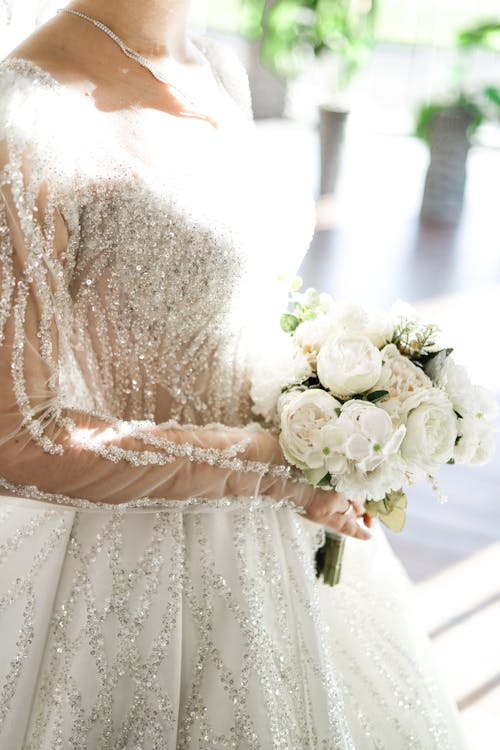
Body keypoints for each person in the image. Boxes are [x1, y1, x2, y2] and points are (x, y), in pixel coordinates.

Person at [0, 1, 468, 747]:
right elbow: (15, 442)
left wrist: (334, 402)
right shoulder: (25, 116)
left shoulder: (216, 67)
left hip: (282, 541)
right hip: (120, 578)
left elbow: (233, 306)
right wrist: (272, 466)